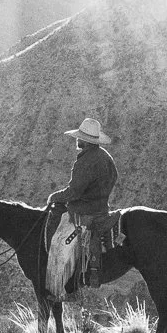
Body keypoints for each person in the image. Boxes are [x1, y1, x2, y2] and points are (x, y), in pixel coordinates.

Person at [45, 116, 117, 301]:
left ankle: (63, 289)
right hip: (102, 208)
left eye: (79, 137)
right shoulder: (105, 157)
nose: (77, 139)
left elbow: (74, 192)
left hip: (84, 212)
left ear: (85, 140)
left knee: (59, 242)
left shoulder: (86, 161)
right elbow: (114, 177)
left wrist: (55, 197)